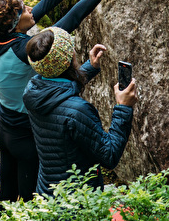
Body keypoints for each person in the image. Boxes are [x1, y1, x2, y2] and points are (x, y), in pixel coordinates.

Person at [0, 0, 133, 202]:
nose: (32, 8)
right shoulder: (25, 50)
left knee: (7, 197)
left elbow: (42, 6)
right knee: (29, 201)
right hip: (23, 133)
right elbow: (72, 18)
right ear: (16, 24)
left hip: (6, 127)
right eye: (23, 9)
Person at [22, 27, 136, 195]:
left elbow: (59, 87)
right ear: (70, 57)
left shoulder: (32, 91)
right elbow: (109, 155)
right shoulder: (78, 111)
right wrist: (123, 107)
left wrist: (89, 67)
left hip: (48, 191)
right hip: (78, 201)